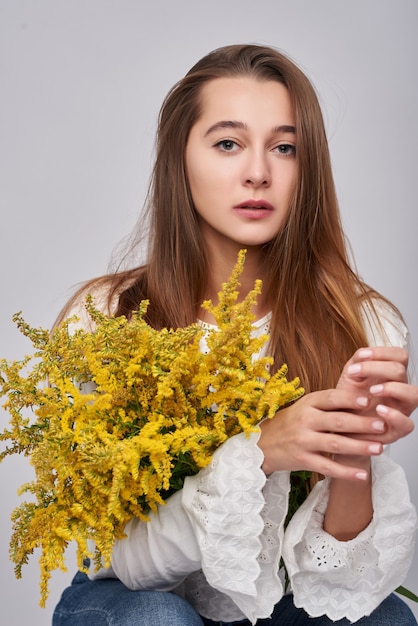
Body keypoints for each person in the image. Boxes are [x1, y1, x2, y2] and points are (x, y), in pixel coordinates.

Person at [52, 44, 417, 625]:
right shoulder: (107, 316)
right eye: (228, 143)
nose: (258, 171)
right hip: (132, 598)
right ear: (180, 161)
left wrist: (354, 456)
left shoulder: (362, 323)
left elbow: (340, 582)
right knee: (158, 618)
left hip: (272, 601)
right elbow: (121, 559)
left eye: (285, 147)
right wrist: (259, 452)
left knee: (386, 619)